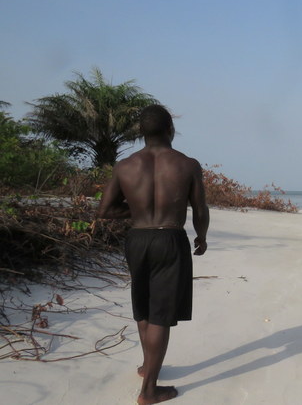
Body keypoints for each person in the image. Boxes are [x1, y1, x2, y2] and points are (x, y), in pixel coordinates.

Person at [97, 104, 209, 404]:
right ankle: (149, 391)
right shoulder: (187, 164)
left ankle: (148, 366)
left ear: (141, 134)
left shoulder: (124, 166)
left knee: (144, 304)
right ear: (171, 129)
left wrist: (136, 212)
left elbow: (105, 210)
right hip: (170, 239)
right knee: (161, 313)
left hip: (137, 239)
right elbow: (200, 209)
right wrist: (202, 236)